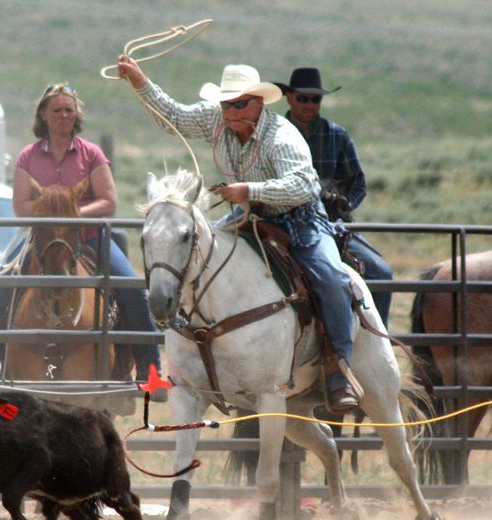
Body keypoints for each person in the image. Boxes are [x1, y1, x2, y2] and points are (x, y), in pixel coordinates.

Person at [117, 58, 360, 412]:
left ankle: (338, 369)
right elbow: (175, 117)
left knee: (332, 278)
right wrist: (140, 82)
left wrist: (250, 190)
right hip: (247, 215)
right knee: (197, 258)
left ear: (258, 103)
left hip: (300, 219)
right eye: (226, 103)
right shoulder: (217, 119)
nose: (231, 111)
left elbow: (303, 185)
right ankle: (195, 357)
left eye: (239, 103)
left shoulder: (282, 136)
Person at [0, 82, 160, 383]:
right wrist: (52, 216)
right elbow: (21, 206)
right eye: (57, 110)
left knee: (131, 287)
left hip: (88, 236)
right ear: (43, 114)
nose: (63, 115)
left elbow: (109, 201)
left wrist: (72, 215)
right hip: (41, 239)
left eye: (69, 110)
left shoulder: (92, 154)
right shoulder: (27, 157)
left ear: (77, 115)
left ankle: (152, 372)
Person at [274, 68, 393, 328]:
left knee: (381, 273)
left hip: (330, 223)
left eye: (315, 99)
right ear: (290, 97)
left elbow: (358, 182)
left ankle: (375, 337)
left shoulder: (336, 135)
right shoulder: (273, 133)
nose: (309, 105)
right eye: (303, 98)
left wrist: (344, 205)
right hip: (279, 221)